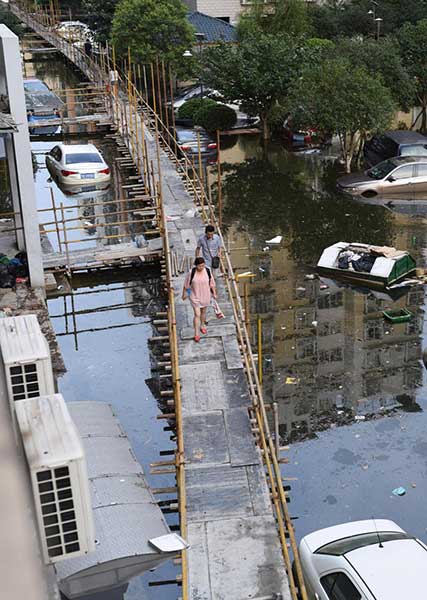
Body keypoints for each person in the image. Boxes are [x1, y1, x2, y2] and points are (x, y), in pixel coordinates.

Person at [182, 257, 223, 342]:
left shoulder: (207, 271)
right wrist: (184, 294)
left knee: (203, 312)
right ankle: (196, 334)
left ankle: (203, 325)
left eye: (203, 266)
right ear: (196, 265)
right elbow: (186, 285)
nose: (201, 267)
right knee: (197, 314)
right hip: (195, 296)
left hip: (205, 295)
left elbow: (212, 283)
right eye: (200, 266)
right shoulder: (191, 272)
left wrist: (214, 293)